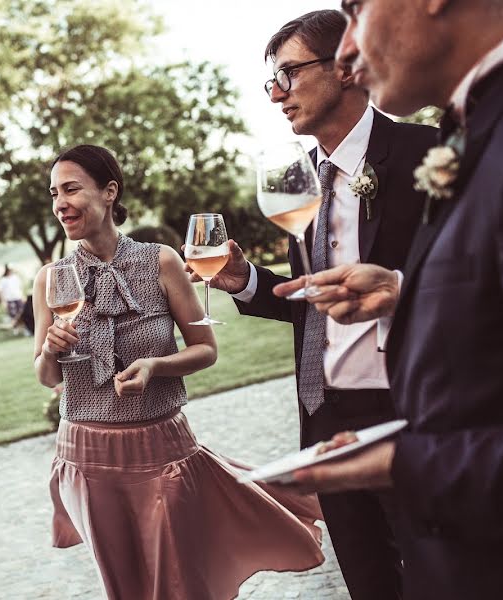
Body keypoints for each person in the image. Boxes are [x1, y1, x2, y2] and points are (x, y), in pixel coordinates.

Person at [270, 1, 503, 598]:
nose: (352, 48)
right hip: (333, 414)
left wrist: (406, 461)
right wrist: (400, 293)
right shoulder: (483, 127)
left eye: (357, 12)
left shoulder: (489, 136)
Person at [193, 10, 435, 599]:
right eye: (270, 81)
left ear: (345, 67)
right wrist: (245, 279)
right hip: (326, 418)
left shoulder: (427, 155)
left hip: (412, 412)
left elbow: (466, 286)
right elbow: (317, 301)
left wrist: (397, 288)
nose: (276, 94)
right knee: (369, 584)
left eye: (288, 74)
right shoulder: (300, 181)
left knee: (441, 577)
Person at [33, 144, 325, 600]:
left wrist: (155, 366)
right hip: (87, 457)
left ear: (109, 192)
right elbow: (46, 376)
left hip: (163, 450)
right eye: (54, 193)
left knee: (183, 583)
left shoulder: (161, 261)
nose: (60, 203)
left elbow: (205, 350)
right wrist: (50, 348)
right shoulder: (51, 277)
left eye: (71, 189)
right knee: (125, 588)